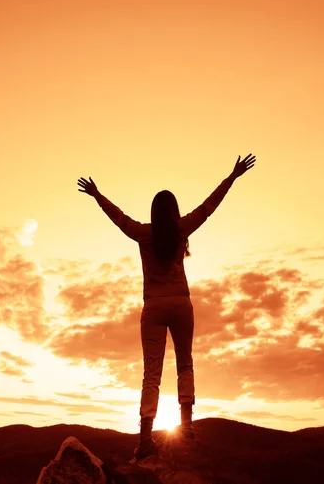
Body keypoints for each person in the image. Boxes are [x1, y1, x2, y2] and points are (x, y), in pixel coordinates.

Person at [77, 153, 256, 460]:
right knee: (185, 364)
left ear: (153, 212)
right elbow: (208, 207)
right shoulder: (181, 229)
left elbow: (118, 217)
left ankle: (146, 437)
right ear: (173, 212)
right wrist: (232, 176)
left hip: (154, 307)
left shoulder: (143, 233)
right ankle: (186, 429)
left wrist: (97, 195)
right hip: (181, 303)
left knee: (151, 374)